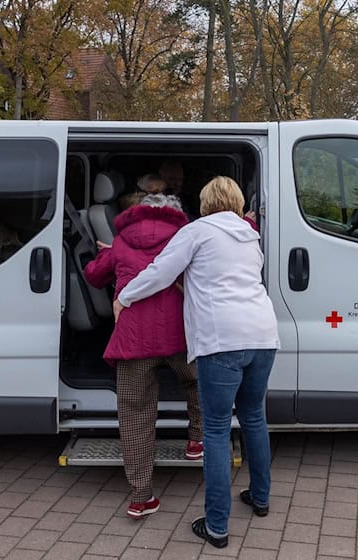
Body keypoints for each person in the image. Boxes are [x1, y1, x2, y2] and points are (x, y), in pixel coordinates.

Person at [113, 176, 280, 548]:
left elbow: (160, 272)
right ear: (236, 204)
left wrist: (125, 295)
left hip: (222, 339)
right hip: (263, 336)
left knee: (217, 430)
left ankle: (217, 525)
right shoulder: (249, 235)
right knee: (254, 417)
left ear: (205, 203)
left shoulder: (196, 231)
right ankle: (261, 498)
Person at [83, 193, 204, 520]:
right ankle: (196, 441)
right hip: (178, 334)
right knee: (198, 381)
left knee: (135, 415)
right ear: (174, 213)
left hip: (133, 340)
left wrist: (105, 256)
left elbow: (94, 276)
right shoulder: (186, 238)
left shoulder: (121, 241)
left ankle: (141, 497)